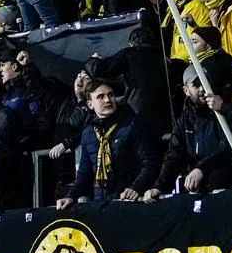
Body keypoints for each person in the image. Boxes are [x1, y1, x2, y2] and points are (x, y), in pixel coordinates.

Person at [143, 67, 232, 200]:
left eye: (204, 83)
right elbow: (174, 155)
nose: (202, 88)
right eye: (196, 84)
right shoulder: (184, 119)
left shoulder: (223, 111)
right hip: (197, 181)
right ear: (186, 90)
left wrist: (201, 169)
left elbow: (228, 150)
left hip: (224, 181)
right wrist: (159, 187)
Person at [56, 80, 158, 208]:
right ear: (90, 104)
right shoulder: (88, 133)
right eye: (100, 97)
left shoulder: (132, 124)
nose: (108, 100)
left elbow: (150, 163)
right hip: (102, 204)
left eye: (111, 95)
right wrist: (70, 197)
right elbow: (84, 174)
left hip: (130, 202)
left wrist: (135, 188)